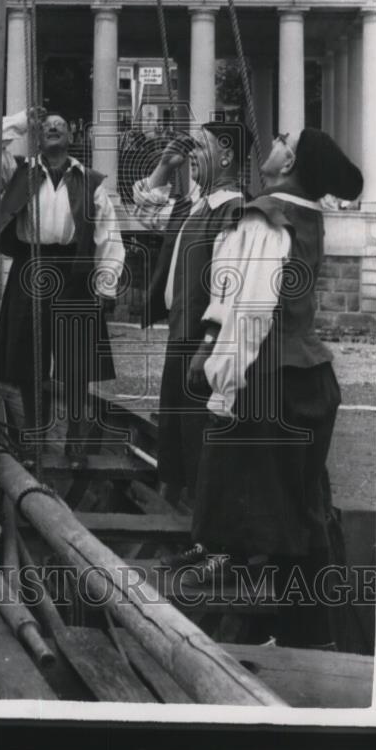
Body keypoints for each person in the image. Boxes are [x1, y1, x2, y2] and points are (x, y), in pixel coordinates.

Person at [189, 127, 364, 648]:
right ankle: (308, 635)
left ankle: (246, 636)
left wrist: (220, 379)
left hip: (270, 383)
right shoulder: (304, 216)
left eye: (284, 139)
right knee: (296, 511)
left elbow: (251, 312)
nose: (274, 139)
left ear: (288, 164)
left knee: (254, 516)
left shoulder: (265, 219)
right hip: (307, 380)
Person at [132, 122, 251, 511]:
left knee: (199, 437)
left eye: (201, 148)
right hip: (181, 335)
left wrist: (209, 345)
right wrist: (166, 167)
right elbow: (145, 211)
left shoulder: (235, 210)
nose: (192, 156)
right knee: (178, 435)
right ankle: (181, 514)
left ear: (227, 156)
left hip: (204, 344)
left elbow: (232, 289)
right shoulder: (196, 203)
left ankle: (202, 524)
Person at [0, 110, 125, 466]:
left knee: (76, 362)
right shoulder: (20, 172)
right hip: (31, 267)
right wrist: (22, 120)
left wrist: (106, 285)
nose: (54, 128)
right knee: (27, 357)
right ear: (38, 135)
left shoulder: (90, 180)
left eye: (62, 124)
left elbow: (108, 236)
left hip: (75, 270)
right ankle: (33, 437)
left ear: (73, 135)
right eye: (47, 125)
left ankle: (75, 441)